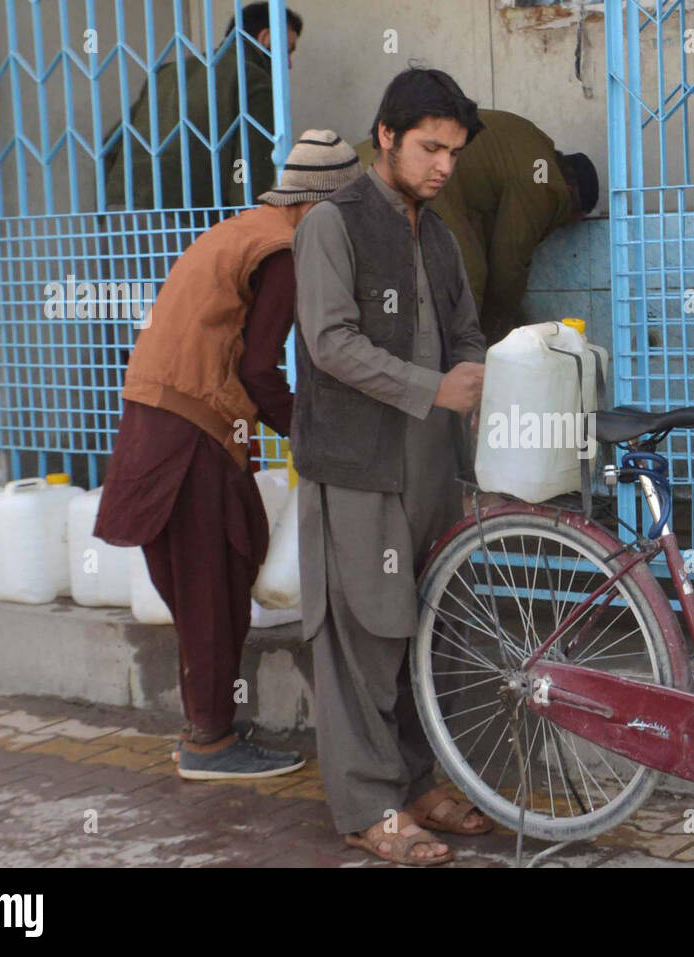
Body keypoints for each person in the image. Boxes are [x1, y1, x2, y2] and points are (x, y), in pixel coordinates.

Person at [94, 131, 363, 779]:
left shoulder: (245, 229)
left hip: (159, 415)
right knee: (212, 576)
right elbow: (261, 367)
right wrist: (310, 432)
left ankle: (205, 723)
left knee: (207, 574)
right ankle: (210, 741)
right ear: (321, 208)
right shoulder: (283, 249)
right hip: (192, 427)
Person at [292, 68, 492, 866]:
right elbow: (331, 344)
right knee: (362, 642)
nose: (444, 165)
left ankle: (415, 786)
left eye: (454, 152)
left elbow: (468, 331)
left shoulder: (438, 234)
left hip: (431, 471)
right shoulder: (331, 226)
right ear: (385, 136)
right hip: (358, 467)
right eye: (430, 147)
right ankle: (368, 807)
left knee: (423, 634)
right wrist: (433, 386)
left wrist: (475, 376)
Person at [354, 109, 599, 345]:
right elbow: (508, 262)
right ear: (570, 194)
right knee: (464, 280)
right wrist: (498, 333)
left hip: (368, 161)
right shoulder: (544, 179)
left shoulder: (531, 143)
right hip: (418, 180)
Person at [104, 3, 304, 209]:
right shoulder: (252, 79)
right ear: (266, 37)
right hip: (186, 214)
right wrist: (244, 222)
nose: (289, 63)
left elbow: (110, 145)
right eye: (288, 51)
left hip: (122, 209)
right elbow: (246, 169)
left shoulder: (169, 72)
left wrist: (106, 209)